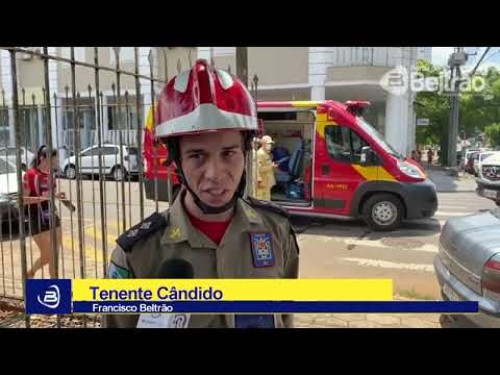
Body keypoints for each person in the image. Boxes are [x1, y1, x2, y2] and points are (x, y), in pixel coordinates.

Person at [102, 59, 300, 328]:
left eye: (228, 153)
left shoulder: (277, 232)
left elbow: (285, 317)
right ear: (177, 161)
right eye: (197, 156)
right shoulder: (136, 255)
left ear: (245, 153)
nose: (215, 174)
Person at [23, 145, 65, 279]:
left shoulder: (51, 176)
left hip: (52, 215)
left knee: (55, 254)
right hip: (36, 218)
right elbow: (24, 200)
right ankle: (30, 272)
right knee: (47, 255)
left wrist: (57, 195)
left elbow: (50, 195)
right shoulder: (30, 175)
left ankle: (56, 285)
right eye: (53, 159)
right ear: (42, 158)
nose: (56, 162)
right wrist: (47, 197)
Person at [256, 135, 277, 201]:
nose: (270, 145)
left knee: (267, 201)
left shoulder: (266, 153)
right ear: (263, 144)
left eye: (270, 144)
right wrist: (271, 166)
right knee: (261, 201)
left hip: (266, 183)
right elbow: (258, 169)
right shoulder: (260, 154)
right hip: (262, 183)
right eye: (268, 144)